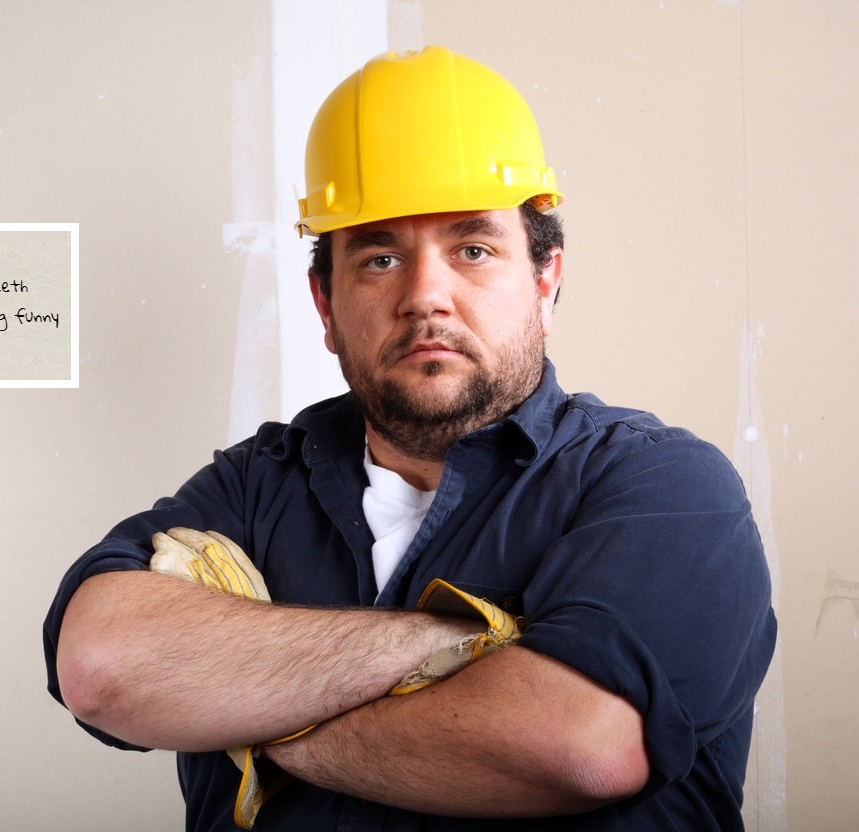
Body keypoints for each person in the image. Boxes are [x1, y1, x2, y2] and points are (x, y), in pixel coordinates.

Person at [42, 46, 777, 831]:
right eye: (381, 256)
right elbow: (103, 667)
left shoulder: (662, 486)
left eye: (473, 249)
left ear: (545, 281)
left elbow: (576, 745)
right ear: (325, 305)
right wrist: (461, 647)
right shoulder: (257, 486)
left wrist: (250, 711)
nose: (426, 295)